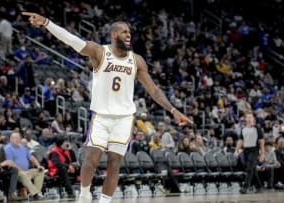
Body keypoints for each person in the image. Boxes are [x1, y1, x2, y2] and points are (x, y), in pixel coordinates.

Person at [22, 12, 193, 203]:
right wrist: (46, 23)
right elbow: (71, 40)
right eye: (123, 32)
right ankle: (85, 194)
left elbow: (154, 90)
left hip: (124, 119)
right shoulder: (99, 52)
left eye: (129, 32)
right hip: (101, 117)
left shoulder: (137, 61)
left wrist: (173, 109)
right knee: (91, 161)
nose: (128, 35)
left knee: (114, 164)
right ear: (113, 35)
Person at [4, 131, 45, 200]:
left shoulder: (23, 147)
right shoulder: (7, 148)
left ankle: (35, 193)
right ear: (10, 139)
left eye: (18, 138)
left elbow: (31, 158)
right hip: (16, 172)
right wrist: (22, 171)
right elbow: (10, 163)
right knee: (23, 174)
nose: (17, 140)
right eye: (14, 138)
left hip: (26, 171)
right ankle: (35, 194)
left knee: (40, 171)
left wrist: (38, 166)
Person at [234, 112, 264, 194]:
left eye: (251, 117)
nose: (250, 119)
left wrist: (262, 154)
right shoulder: (243, 129)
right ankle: (259, 187)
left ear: (253, 119)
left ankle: (245, 187)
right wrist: (236, 150)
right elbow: (240, 140)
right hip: (246, 150)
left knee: (249, 169)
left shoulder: (257, 128)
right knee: (253, 169)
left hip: (254, 150)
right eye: (248, 117)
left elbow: (261, 141)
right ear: (246, 119)